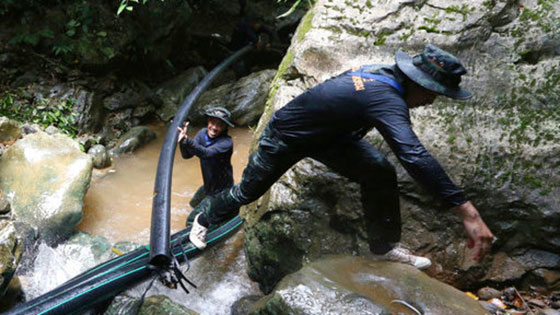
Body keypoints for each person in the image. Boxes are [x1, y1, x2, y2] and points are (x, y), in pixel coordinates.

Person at [188, 44, 495, 269]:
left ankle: (382, 247)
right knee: (248, 191)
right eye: (432, 92)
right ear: (416, 82)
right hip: (285, 136)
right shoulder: (384, 96)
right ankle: (204, 216)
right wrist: (469, 213)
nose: (430, 101)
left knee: (378, 169)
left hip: (329, 138)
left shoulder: (385, 77)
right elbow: (413, 155)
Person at [177, 107, 237, 227]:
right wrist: (182, 142)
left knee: (191, 221)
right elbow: (187, 155)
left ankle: (213, 225)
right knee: (194, 203)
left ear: (225, 127)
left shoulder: (226, 142)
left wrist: (187, 140)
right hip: (209, 187)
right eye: (212, 123)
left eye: (219, 125)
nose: (214, 128)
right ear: (208, 121)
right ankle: (214, 213)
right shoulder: (202, 134)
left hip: (221, 191)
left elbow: (206, 154)